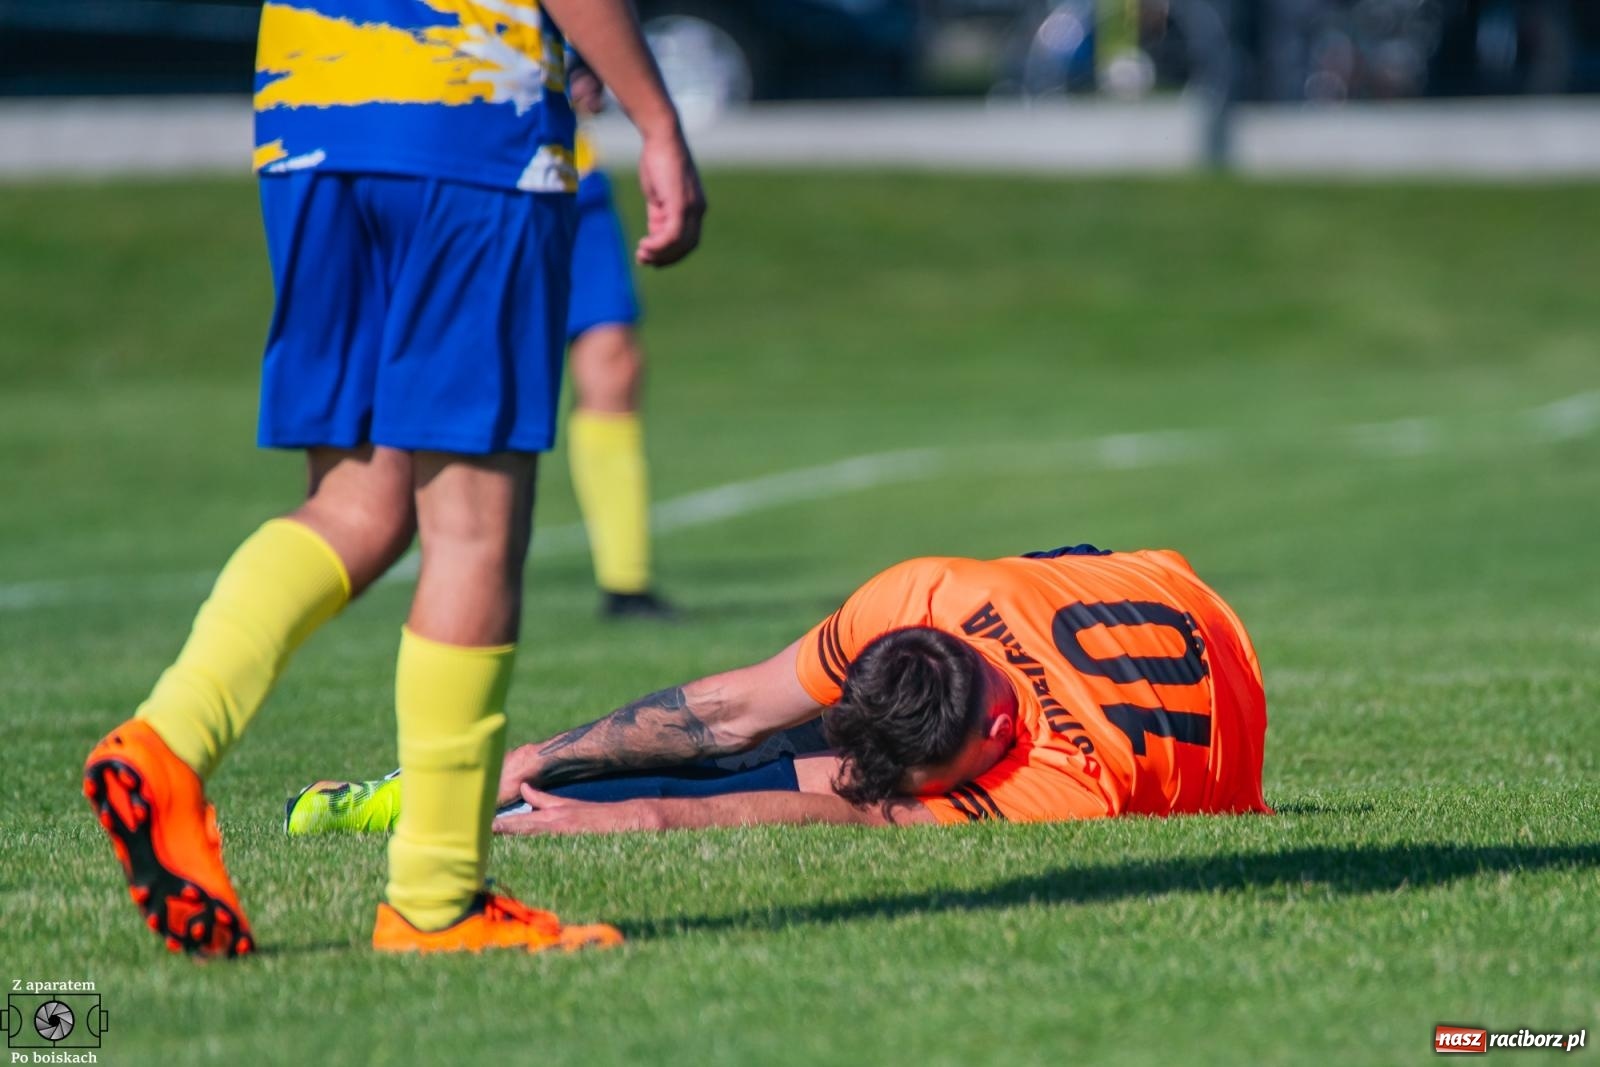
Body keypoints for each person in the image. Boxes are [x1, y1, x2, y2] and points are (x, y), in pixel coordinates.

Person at [81, 0, 705, 959]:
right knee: (473, 526)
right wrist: (658, 121)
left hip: (307, 112)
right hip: (464, 110)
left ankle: (164, 744)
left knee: (359, 503)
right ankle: (436, 901)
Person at [285, 545, 1271, 836]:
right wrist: (533, 751)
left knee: (815, 768)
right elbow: (733, 704)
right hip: (1159, 582)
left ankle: (503, 807)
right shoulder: (920, 598)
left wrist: (645, 821)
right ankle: (485, 783)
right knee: (769, 730)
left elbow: (836, 805)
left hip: (1175, 611)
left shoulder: (1075, 782)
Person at [564, 62, 674, 620]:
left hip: (570, 173)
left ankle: (626, 583)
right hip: (467, 167)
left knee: (614, 362)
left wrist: (585, 61)